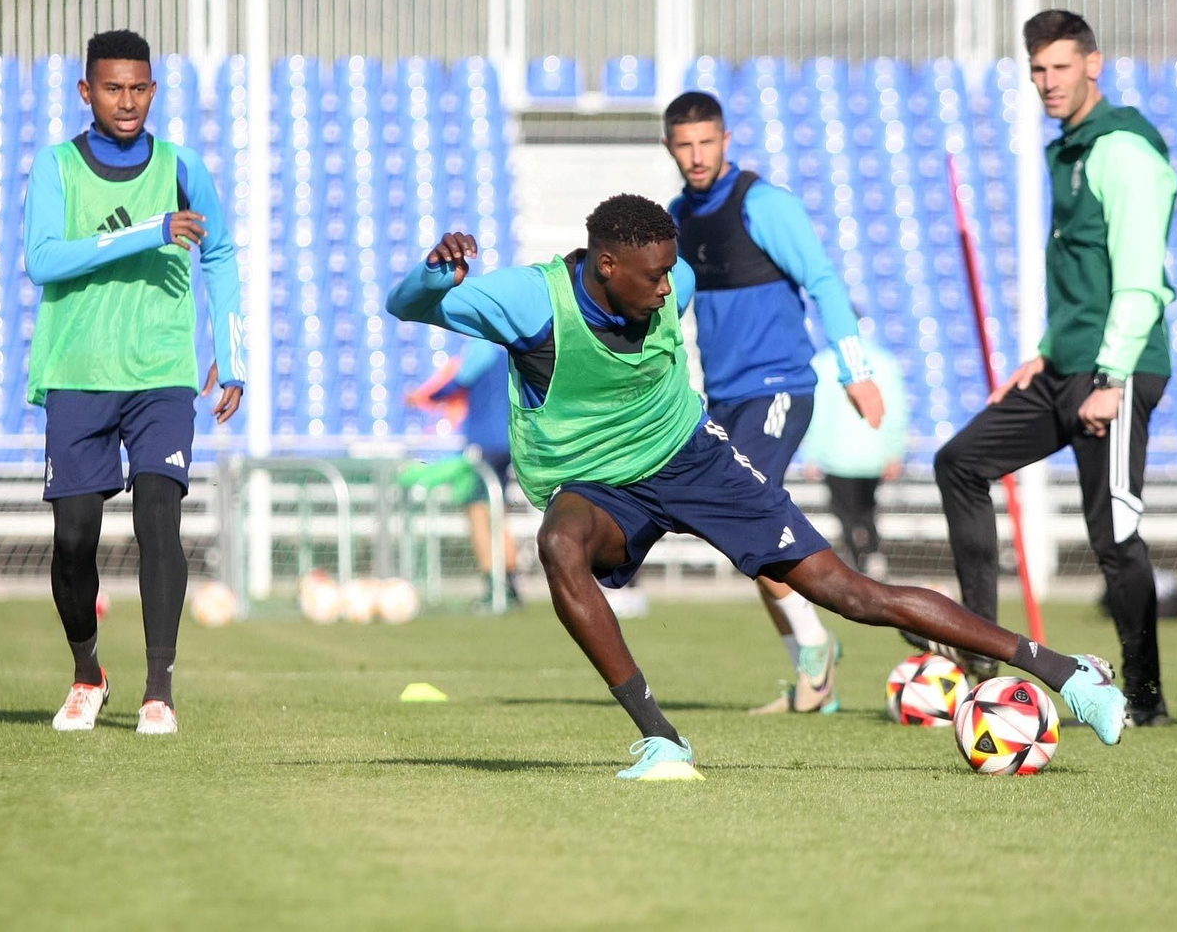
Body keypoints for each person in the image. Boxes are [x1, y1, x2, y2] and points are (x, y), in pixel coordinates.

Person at [386, 195, 1127, 780]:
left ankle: (1069, 674)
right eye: (652, 276)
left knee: (851, 594)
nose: (669, 287)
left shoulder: (670, 280)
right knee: (559, 543)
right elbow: (408, 307)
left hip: (693, 460)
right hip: (597, 485)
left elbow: (682, 284)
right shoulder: (529, 300)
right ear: (605, 265)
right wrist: (432, 272)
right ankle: (662, 739)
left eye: (673, 270)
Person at [932, 9, 1177, 725]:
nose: (1047, 82)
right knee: (961, 461)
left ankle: (1145, 697)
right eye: (1037, 69)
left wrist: (1108, 380)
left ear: (1093, 65)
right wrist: (1045, 349)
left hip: (1117, 371)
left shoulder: (1124, 151)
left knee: (1115, 539)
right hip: (1065, 364)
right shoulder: (1068, 150)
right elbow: (1083, 276)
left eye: (1060, 67)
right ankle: (978, 646)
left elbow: (1138, 280)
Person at [25, 29, 244, 735]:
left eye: (139, 88)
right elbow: (44, 260)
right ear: (86, 92)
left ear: (154, 90)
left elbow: (223, 251)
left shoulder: (182, 165)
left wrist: (230, 352)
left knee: (159, 512)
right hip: (78, 370)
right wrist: (148, 230)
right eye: (112, 88)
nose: (128, 101)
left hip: (160, 372)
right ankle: (89, 672)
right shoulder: (55, 167)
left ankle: (159, 689)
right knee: (74, 537)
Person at [663, 91, 885, 714]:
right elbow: (670, 305)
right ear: (670, 148)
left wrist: (856, 371)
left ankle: (820, 652)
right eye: (685, 144)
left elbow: (822, 280)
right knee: (744, 534)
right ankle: (813, 680)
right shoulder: (679, 216)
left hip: (778, 389)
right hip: (723, 399)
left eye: (707, 141)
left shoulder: (765, 205)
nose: (697, 154)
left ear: (726, 140)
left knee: (749, 518)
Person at [404, 339, 520, 606]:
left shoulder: (483, 348)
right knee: (498, 513)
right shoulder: (511, 348)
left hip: (485, 442)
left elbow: (456, 382)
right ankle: (512, 587)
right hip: (509, 440)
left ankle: (494, 589)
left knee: (478, 513)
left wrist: (422, 397)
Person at [801, 337, 910, 580]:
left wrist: (812, 454)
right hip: (874, 454)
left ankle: (857, 562)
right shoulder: (884, 360)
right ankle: (872, 556)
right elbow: (896, 408)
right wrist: (894, 452)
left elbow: (817, 412)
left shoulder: (824, 362)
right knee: (868, 510)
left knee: (845, 514)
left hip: (837, 456)